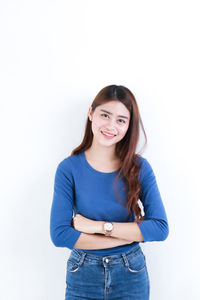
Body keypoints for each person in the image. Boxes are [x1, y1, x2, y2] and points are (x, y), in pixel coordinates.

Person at [50, 84, 169, 300]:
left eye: (121, 120)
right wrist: (128, 236)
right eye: (105, 115)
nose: (111, 125)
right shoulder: (69, 169)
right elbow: (60, 235)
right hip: (82, 274)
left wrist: (97, 227)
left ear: (128, 126)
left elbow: (160, 228)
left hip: (131, 274)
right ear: (91, 113)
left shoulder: (140, 168)